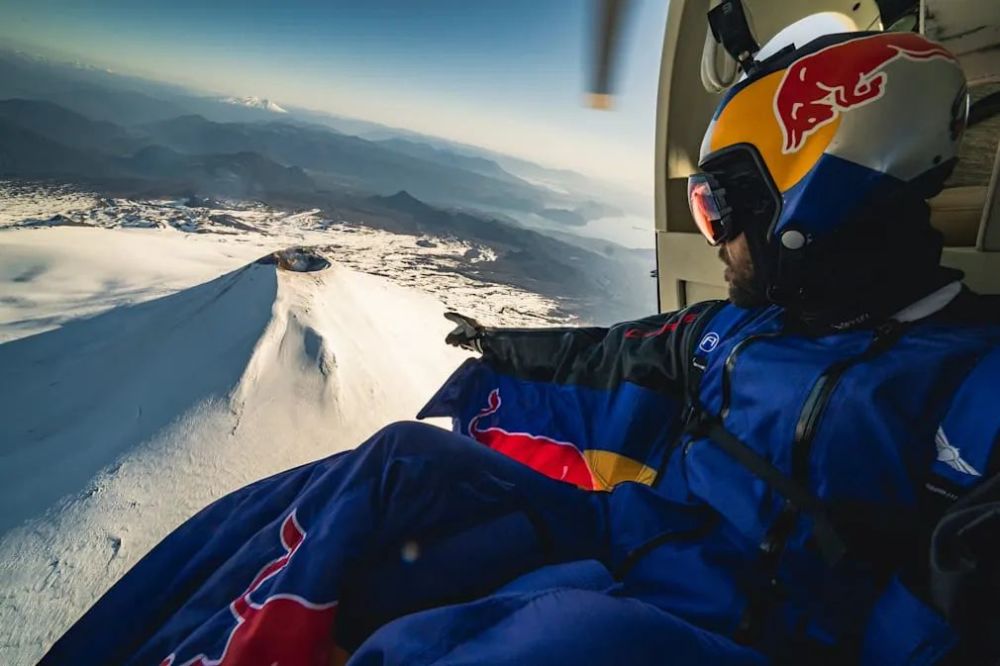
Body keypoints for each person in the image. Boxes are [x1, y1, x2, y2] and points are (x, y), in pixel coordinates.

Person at [45, 31, 1000, 666]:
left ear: (824, 191)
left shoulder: (972, 379)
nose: (712, 233)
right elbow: (604, 357)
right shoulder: (731, 330)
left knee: (561, 640)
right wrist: (496, 347)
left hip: (757, 632)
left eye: (723, 202)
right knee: (400, 461)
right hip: (638, 540)